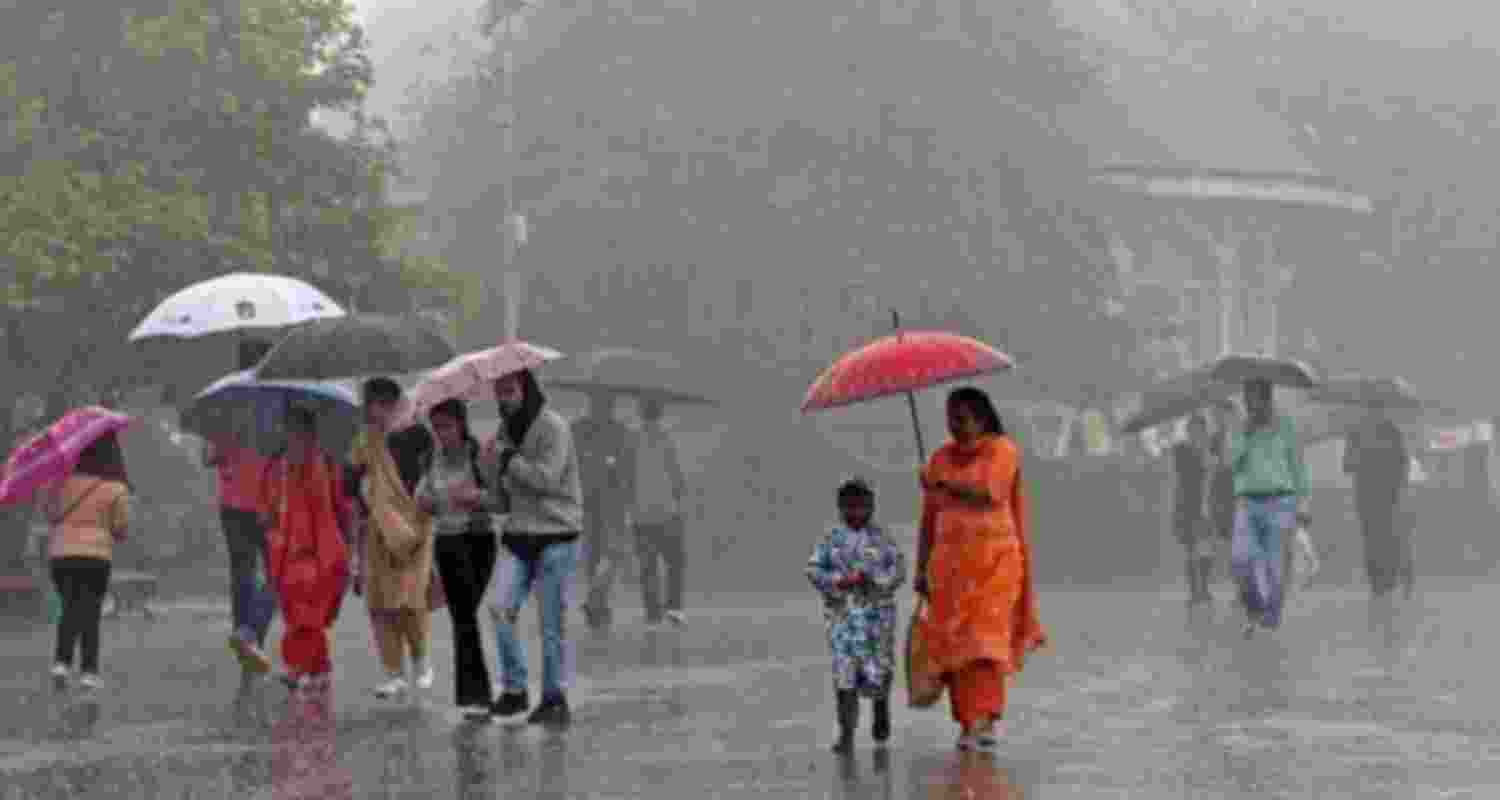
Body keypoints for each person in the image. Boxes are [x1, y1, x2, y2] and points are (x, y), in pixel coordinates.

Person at [913, 386, 1047, 751]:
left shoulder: (1002, 450)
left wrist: (942, 483)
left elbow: (991, 491)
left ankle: (985, 720)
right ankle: (968, 722)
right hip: (949, 569)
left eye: (962, 418)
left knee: (983, 645)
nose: (955, 426)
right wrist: (921, 567)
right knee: (955, 648)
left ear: (981, 417)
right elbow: (928, 520)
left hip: (995, 567)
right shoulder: (939, 459)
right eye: (950, 419)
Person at [484, 369, 584, 726]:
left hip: (557, 533)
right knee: (500, 608)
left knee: (550, 621)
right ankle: (515, 690)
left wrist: (509, 460)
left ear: (526, 390)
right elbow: (500, 498)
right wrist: (488, 469)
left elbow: (547, 478)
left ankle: (554, 698)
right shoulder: (503, 432)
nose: (504, 398)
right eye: (499, 392)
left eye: (509, 390)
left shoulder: (553, 427)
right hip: (519, 535)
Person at [415, 398, 507, 719]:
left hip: (480, 541)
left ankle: (477, 694)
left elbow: (500, 501)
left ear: (461, 424)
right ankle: (476, 697)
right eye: (437, 427)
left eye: (448, 426)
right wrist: (425, 502)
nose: (442, 434)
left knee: (465, 615)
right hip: (447, 544)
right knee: (463, 618)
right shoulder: (429, 459)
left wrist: (475, 497)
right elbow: (421, 499)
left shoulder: (479, 456)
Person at [348, 377, 438, 699]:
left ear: (395, 403)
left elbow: (432, 478)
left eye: (384, 404)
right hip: (379, 531)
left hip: (414, 529)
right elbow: (351, 484)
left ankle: (422, 662)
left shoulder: (419, 434)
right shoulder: (366, 441)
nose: (378, 411)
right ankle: (393, 672)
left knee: (411, 601)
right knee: (379, 604)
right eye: (373, 405)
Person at [806, 477, 906, 754]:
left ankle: (880, 707)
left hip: (877, 617)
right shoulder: (831, 539)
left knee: (878, 669)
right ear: (840, 507)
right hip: (842, 617)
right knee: (844, 674)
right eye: (849, 506)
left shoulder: (882, 538)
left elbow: (898, 571)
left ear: (871, 506)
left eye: (861, 505)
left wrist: (875, 580)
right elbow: (813, 570)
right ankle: (846, 732)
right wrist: (839, 581)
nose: (855, 512)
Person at [257, 406, 352, 693]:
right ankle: (319, 669)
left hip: (319, 553)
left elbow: (341, 508)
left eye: (301, 432)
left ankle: (297, 668)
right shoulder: (275, 468)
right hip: (284, 553)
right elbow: (265, 507)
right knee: (295, 614)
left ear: (312, 434)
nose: (295, 438)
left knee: (307, 616)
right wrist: (268, 520)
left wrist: (349, 549)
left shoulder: (327, 465)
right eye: (290, 432)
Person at [205, 337, 277, 675]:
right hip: (269, 501)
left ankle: (245, 640)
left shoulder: (225, 400)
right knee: (278, 573)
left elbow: (211, 456)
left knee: (241, 573)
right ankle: (251, 635)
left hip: (231, 502)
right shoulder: (278, 400)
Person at [44, 432, 132, 691]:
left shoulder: (61, 483)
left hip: (61, 555)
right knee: (90, 612)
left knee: (70, 607)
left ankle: (61, 663)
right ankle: (89, 672)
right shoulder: (115, 488)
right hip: (95, 556)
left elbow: (51, 514)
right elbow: (121, 529)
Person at [1227, 379, 1311, 638]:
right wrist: (1245, 435)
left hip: (1281, 501)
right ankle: (1255, 606)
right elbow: (1233, 462)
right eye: (1247, 399)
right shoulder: (1242, 427)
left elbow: (1297, 465)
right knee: (1241, 558)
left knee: (1275, 563)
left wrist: (1303, 502)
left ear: (1266, 399)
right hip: (1248, 501)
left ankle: (1272, 612)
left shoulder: (1285, 425)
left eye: (1254, 399)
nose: (1250, 404)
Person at [1344, 409, 1411, 637]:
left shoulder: (1391, 431)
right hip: (1369, 498)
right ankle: (1380, 586)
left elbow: (1403, 464)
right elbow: (1348, 465)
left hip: (1384, 497)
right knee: (1374, 540)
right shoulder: (1359, 433)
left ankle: (1386, 585)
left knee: (1383, 538)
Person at [572, 391, 635, 631]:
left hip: (587, 502)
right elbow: (627, 472)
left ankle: (596, 603)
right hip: (610, 502)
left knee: (594, 555)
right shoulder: (621, 433)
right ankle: (597, 601)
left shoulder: (576, 430)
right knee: (611, 553)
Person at [633, 397, 689, 627]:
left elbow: (626, 473)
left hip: (640, 512)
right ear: (661, 411)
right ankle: (674, 608)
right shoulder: (668, 436)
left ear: (641, 411)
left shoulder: (631, 437)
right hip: (667, 512)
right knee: (675, 562)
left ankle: (652, 612)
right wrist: (680, 496)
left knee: (648, 566)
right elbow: (676, 473)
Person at [1171, 413, 1216, 611]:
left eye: (1200, 429)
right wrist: (1202, 458)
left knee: (1205, 547)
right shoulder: (1181, 449)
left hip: (1207, 503)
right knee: (1191, 549)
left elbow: (1218, 470)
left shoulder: (1211, 449)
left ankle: (1204, 589)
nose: (1196, 433)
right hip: (1187, 505)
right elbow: (1182, 470)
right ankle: (1193, 592)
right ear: (1188, 432)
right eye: (1192, 430)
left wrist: (1209, 458)